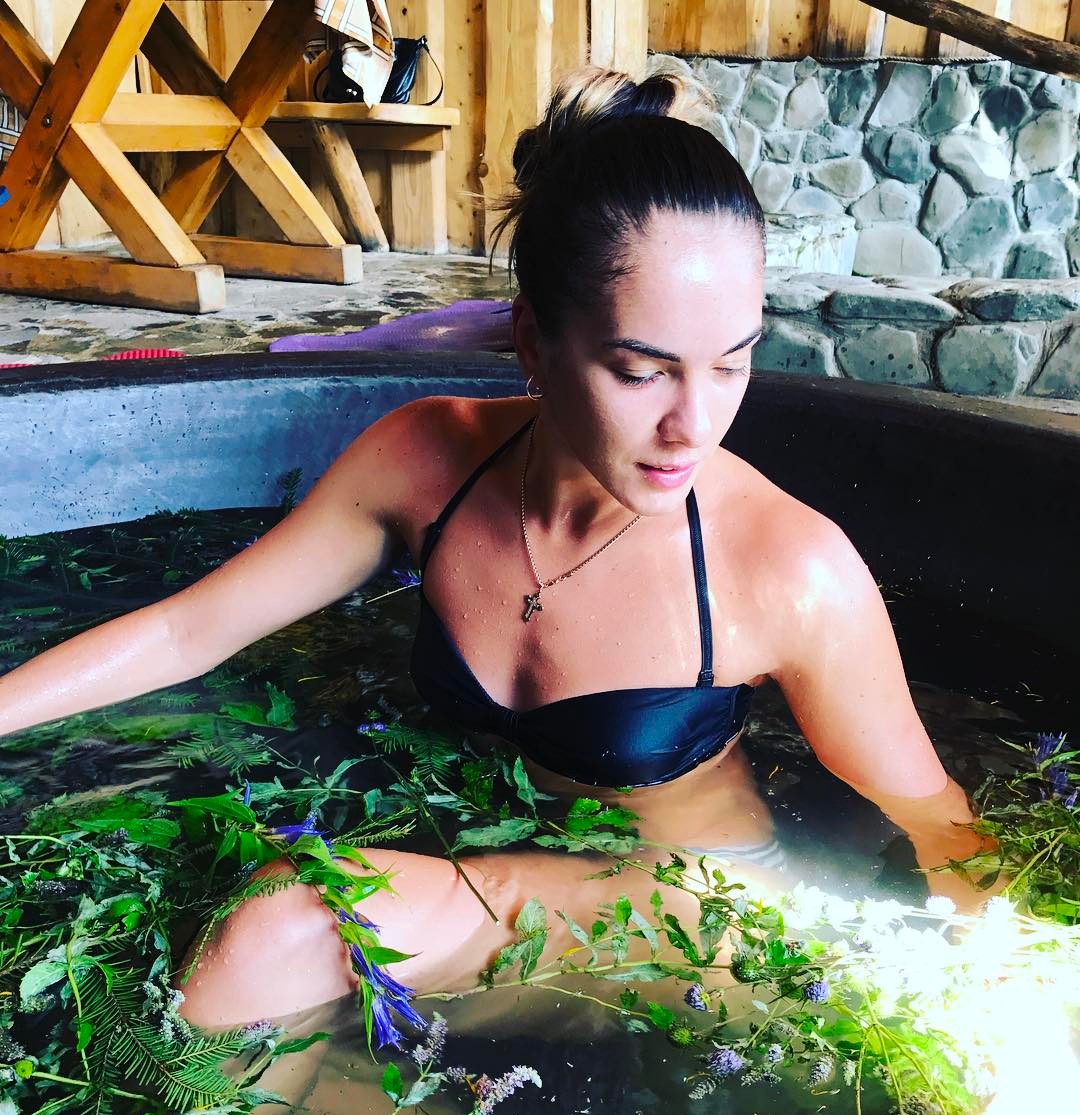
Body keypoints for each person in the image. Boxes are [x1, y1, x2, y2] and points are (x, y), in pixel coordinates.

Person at [0, 68, 987, 1029]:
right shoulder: (427, 461)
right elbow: (190, 631)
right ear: (533, 342)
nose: (695, 424)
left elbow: (940, 820)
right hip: (501, 867)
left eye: (733, 363)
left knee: (283, 924)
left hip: (693, 915)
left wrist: (1005, 1023)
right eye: (642, 371)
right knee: (226, 947)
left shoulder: (788, 567)